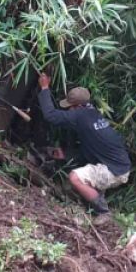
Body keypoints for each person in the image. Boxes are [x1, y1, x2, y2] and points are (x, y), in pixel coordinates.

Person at [37, 74, 130, 215]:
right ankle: (91, 204)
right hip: (118, 165)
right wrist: (66, 155)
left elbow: (51, 116)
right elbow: (91, 149)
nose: (68, 110)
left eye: (70, 107)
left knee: (74, 178)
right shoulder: (93, 114)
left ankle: (104, 213)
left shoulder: (80, 115)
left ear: (78, 106)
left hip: (113, 171)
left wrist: (44, 87)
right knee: (69, 187)